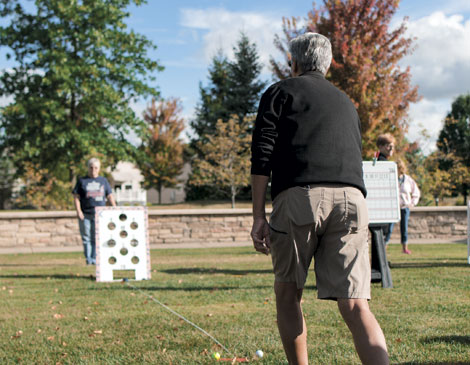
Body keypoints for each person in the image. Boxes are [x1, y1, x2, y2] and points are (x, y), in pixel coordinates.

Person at [250, 33, 389, 365]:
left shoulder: (280, 91)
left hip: (301, 198)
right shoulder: (346, 101)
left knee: (288, 294)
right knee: (356, 304)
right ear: (328, 64)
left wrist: (258, 215)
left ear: (294, 62)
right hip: (353, 201)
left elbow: (262, 154)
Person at [73, 158, 116, 265]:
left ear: (99, 168)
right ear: (88, 168)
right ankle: (89, 259)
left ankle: (95, 258)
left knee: (96, 237)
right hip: (85, 214)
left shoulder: (103, 181)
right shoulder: (82, 181)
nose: (93, 170)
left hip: (100, 215)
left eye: (96, 168)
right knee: (86, 237)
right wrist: (78, 211)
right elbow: (76, 197)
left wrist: (115, 208)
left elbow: (109, 196)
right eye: (91, 167)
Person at [385, 159, 420, 254]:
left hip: (405, 207)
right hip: (393, 208)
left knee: (404, 228)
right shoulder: (390, 178)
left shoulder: (408, 180)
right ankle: (384, 247)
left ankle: (405, 248)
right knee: (389, 228)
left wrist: (412, 203)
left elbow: (416, 193)